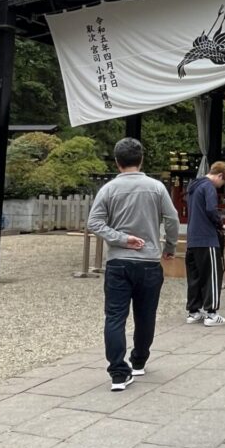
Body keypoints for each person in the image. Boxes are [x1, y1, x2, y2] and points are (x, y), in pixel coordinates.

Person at [88, 137, 178, 391]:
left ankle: (118, 372)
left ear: (117, 162)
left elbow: (94, 223)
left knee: (115, 316)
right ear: (141, 160)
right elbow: (172, 220)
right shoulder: (157, 187)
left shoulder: (107, 190)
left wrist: (122, 239)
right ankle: (138, 360)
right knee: (145, 314)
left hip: (118, 260)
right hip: (149, 260)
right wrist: (169, 247)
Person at [185, 161, 225, 326]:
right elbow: (211, 209)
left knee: (194, 276)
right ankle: (212, 313)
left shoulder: (193, 186)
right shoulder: (208, 187)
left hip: (192, 238)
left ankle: (193, 311)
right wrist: (220, 224)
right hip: (207, 238)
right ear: (219, 175)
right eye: (223, 181)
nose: (221, 185)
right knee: (212, 275)